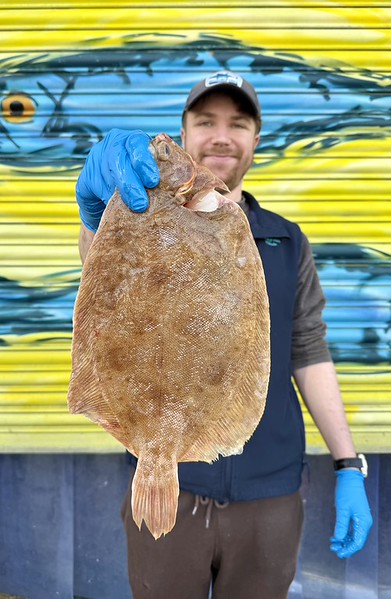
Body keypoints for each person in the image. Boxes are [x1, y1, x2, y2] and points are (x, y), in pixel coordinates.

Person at [75, 70, 373, 599]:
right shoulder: (138, 213)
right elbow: (100, 284)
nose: (221, 136)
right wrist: (99, 220)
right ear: (185, 133)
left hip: (271, 491)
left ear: (255, 140)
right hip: (172, 483)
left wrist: (348, 463)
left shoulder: (286, 237)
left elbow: (308, 347)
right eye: (205, 121)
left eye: (237, 124)